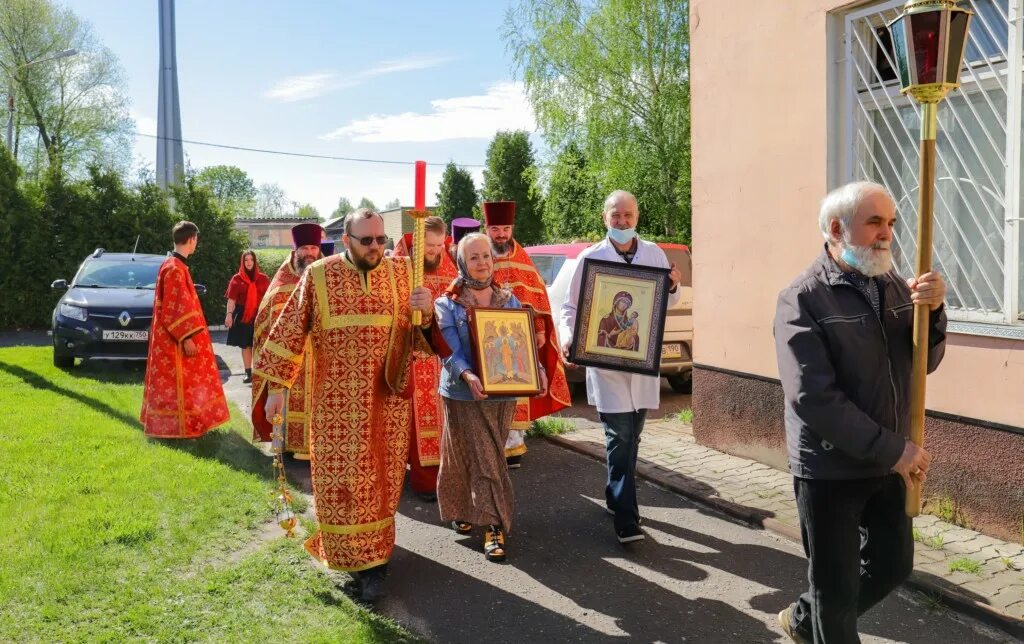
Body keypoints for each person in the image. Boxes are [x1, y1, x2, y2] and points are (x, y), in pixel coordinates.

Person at [774, 181, 947, 643]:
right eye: (874, 222)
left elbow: (923, 365)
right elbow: (813, 397)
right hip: (829, 467)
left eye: (890, 223)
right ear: (836, 229)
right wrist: (894, 450)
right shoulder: (802, 298)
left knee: (893, 565)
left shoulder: (894, 287)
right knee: (835, 588)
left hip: (888, 461)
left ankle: (805, 620)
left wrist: (934, 312)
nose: (886, 233)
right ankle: (822, 619)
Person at [254, 208, 434, 603]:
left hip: (387, 403)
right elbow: (289, 331)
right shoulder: (319, 275)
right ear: (347, 240)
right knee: (340, 487)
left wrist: (427, 311)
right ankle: (352, 560)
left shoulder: (404, 273)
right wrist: (276, 391)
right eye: (366, 240)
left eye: (381, 239)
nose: (375, 247)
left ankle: (375, 563)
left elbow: (423, 338)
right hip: (335, 407)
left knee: (381, 485)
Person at [559, 191, 682, 544]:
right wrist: (570, 337)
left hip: (641, 364)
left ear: (637, 216)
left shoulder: (654, 254)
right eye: (616, 215)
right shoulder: (590, 258)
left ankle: (616, 496)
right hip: (607, 366)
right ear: (605, 217)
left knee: (633, 436)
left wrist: (673, 284)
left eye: (628, 215)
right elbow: (570, 308)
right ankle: (627, 519)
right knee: (620, 436)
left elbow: (667, 300)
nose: (622, 221)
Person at [434, 232, 548, 562]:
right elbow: (448, 350)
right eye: (474, 257)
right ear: (461, 262)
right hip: (462, 393)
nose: (482, 262)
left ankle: (468, 510)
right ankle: (493, 525)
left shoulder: (508, 301)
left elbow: (521, 344)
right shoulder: (447, 304)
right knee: (478, 457)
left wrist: (537, 368)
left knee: (488, 454)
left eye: (486, 255)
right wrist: (468, 375)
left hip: (502, 393)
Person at [484, 201, 571, 467]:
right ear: (487, 228)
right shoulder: (478, 254)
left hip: (518, 338)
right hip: (487, 336)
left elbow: (537, 295)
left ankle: (513, 446)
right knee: (489, 391)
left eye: (506, 229)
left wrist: (540, 329)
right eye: (495, 229)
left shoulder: (521, 257)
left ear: (512, 228)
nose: (501, 235)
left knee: (516, 387)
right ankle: (489, 445)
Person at [140, 221, 230, 438]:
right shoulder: (174, 268)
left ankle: (188, 425)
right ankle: (181, 428)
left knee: (181, 384)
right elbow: (173, 309)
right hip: (175, 340)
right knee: (180, 384)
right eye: (196, 240)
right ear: (191, 239)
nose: (196, 244)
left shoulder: (175, 265)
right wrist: (187, 338)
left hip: (172, 337)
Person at [392, 216, 458, 502]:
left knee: (444, 419)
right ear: (417, 241)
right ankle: (423, 479)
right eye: (430, 245)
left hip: (441, 355)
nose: (436, 251)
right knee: (414, 421)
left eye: (440, 245)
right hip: (411, 355)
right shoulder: (399, 266)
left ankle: (445, 475)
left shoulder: (448, 265)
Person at [250, 222, 323, 455]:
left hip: (319, 356)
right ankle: (287, 448)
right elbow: (267, 324)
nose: (309, 253)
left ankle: (318, 447)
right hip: (290, 356)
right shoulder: (282, 282)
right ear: (296, 250)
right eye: (305, 249)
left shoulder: (326, 274)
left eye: (313, 248)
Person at [224, 250, 270, 384]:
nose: (249, 262)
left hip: (260, 315)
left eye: (251, 260)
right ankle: (248, 373)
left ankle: (260, 372)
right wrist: (229, 315)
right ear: (242, 262)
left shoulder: (263, 278)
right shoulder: (236, 279)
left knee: (261, 344)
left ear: (255, 262)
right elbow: (231, 300)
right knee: (246, 345)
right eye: (246, 260)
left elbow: (269, 298)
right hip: (243, 316)